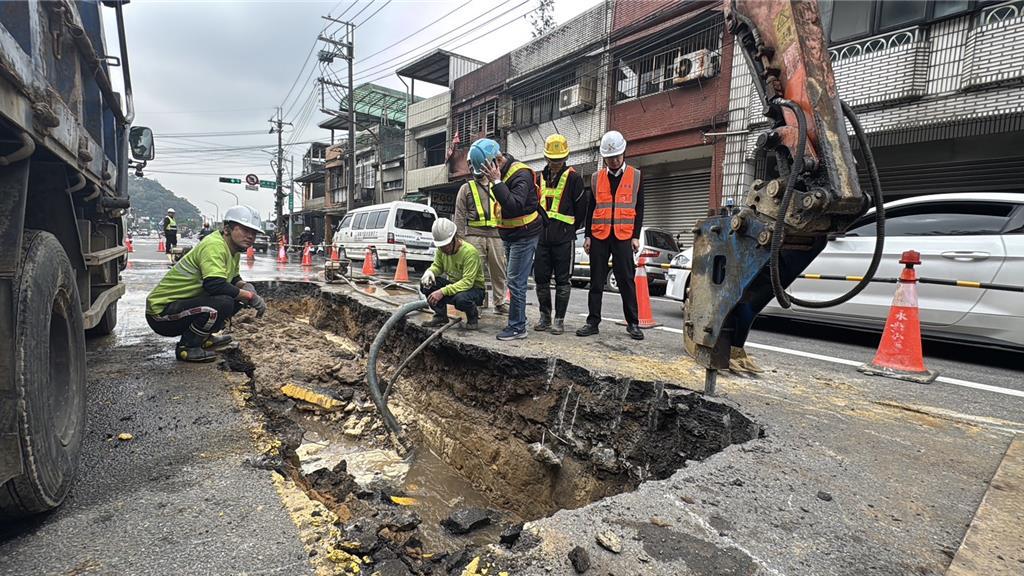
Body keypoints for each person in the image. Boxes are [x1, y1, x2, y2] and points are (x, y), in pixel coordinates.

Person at [146, 205, 268, 363]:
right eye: (245, 230)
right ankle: (187, 347)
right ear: (227, 229)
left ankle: (204, 337)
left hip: (181, 307)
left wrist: (245, 286)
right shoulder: (214, 245)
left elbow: (232, 279)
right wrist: (250, 296)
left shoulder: (233, 250)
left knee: (234, 300)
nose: (250, 236)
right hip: (161, 314)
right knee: (223, 302)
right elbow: (214, 285)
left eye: (254, 233)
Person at [469, 138, 542, 341]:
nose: (484, 175)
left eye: (485, 170)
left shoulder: (521, 174)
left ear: (494, 162)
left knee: (515, 281)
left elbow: (514, 205)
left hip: (524, 235)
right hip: (511, 235)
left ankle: (517, 326)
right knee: (514, 280)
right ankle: (520, 319)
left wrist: (497, 182)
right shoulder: (503, 172)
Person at [577, 130, 645, 341]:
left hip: (623, 236)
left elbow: (640, 207)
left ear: (624, 153)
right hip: (599, 235)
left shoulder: (636, 176)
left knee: (626, 279)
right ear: (604, 158)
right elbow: (591, 209)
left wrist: (635, 236)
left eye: (617, 156)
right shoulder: (597, 178)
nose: (614, 161)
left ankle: (633, 323)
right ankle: (592, 322)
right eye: (609, 158)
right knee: (596, 280)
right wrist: (587, 235)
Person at [533, 134, 587, 335]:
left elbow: (581, 209)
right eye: (552, 159)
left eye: (559, 159)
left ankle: (559, 320)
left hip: (564, 238)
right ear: (546, 158)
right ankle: (545, 317)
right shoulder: (540, 176)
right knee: (541, 279)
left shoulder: (574, 178)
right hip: (542, 238)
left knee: (563, 280)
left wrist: (569, 228)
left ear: (565, 157)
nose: (556, 163)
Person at [453, 160, 508, 315]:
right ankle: (478, 301)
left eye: (473, 164)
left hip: (496, 235)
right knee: (476, 272)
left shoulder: (497, 185)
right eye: (469, 165)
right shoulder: (465, 188)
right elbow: (459, 215)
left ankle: (500, 302)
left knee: (499, 270)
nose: (471, 167)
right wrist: (460, 239)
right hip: (473, 234)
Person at [420, 218, 485, 331]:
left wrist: (442, 291)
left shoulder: (469, 252)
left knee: (461, 299)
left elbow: (467, 282)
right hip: (455, 286)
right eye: (441, 246)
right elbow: (438, 266)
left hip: (474, 290)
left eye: (446, 245)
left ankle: (472, 316)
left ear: (454, 238)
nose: (444, 249)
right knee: (427, 285)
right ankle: (440, 316)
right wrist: (430, 272)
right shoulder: (441, 250)